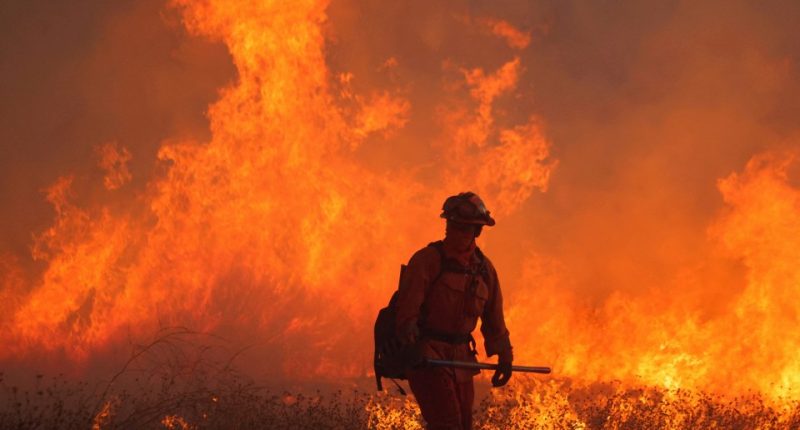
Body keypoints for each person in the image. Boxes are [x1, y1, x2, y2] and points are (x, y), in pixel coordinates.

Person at [395, 192, 513, 430]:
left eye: (464, 228)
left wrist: (504, 355)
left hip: (461, 359)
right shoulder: (428, 260)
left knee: (464, 425)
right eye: (453, 226)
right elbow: (406, 311)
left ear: (477, 231)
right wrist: (411, 345)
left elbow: (494, 318)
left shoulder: (484, 270)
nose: (456, 232)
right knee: (447, 424)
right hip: (428, 355)